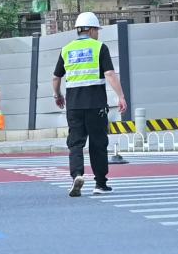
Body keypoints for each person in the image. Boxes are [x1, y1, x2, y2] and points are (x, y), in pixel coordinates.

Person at [52, 12, 127, 197]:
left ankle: (77, 175)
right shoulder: (99, 47)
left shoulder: (66, 49)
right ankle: (100, 184)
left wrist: (58, 95)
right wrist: (121, 96)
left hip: (74, 105)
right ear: (92, 29)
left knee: (75, 142)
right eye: (97, 30)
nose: (98, 34)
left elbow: (56, 77)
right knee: (98, 143)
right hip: (96, 104)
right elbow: (109, 74)